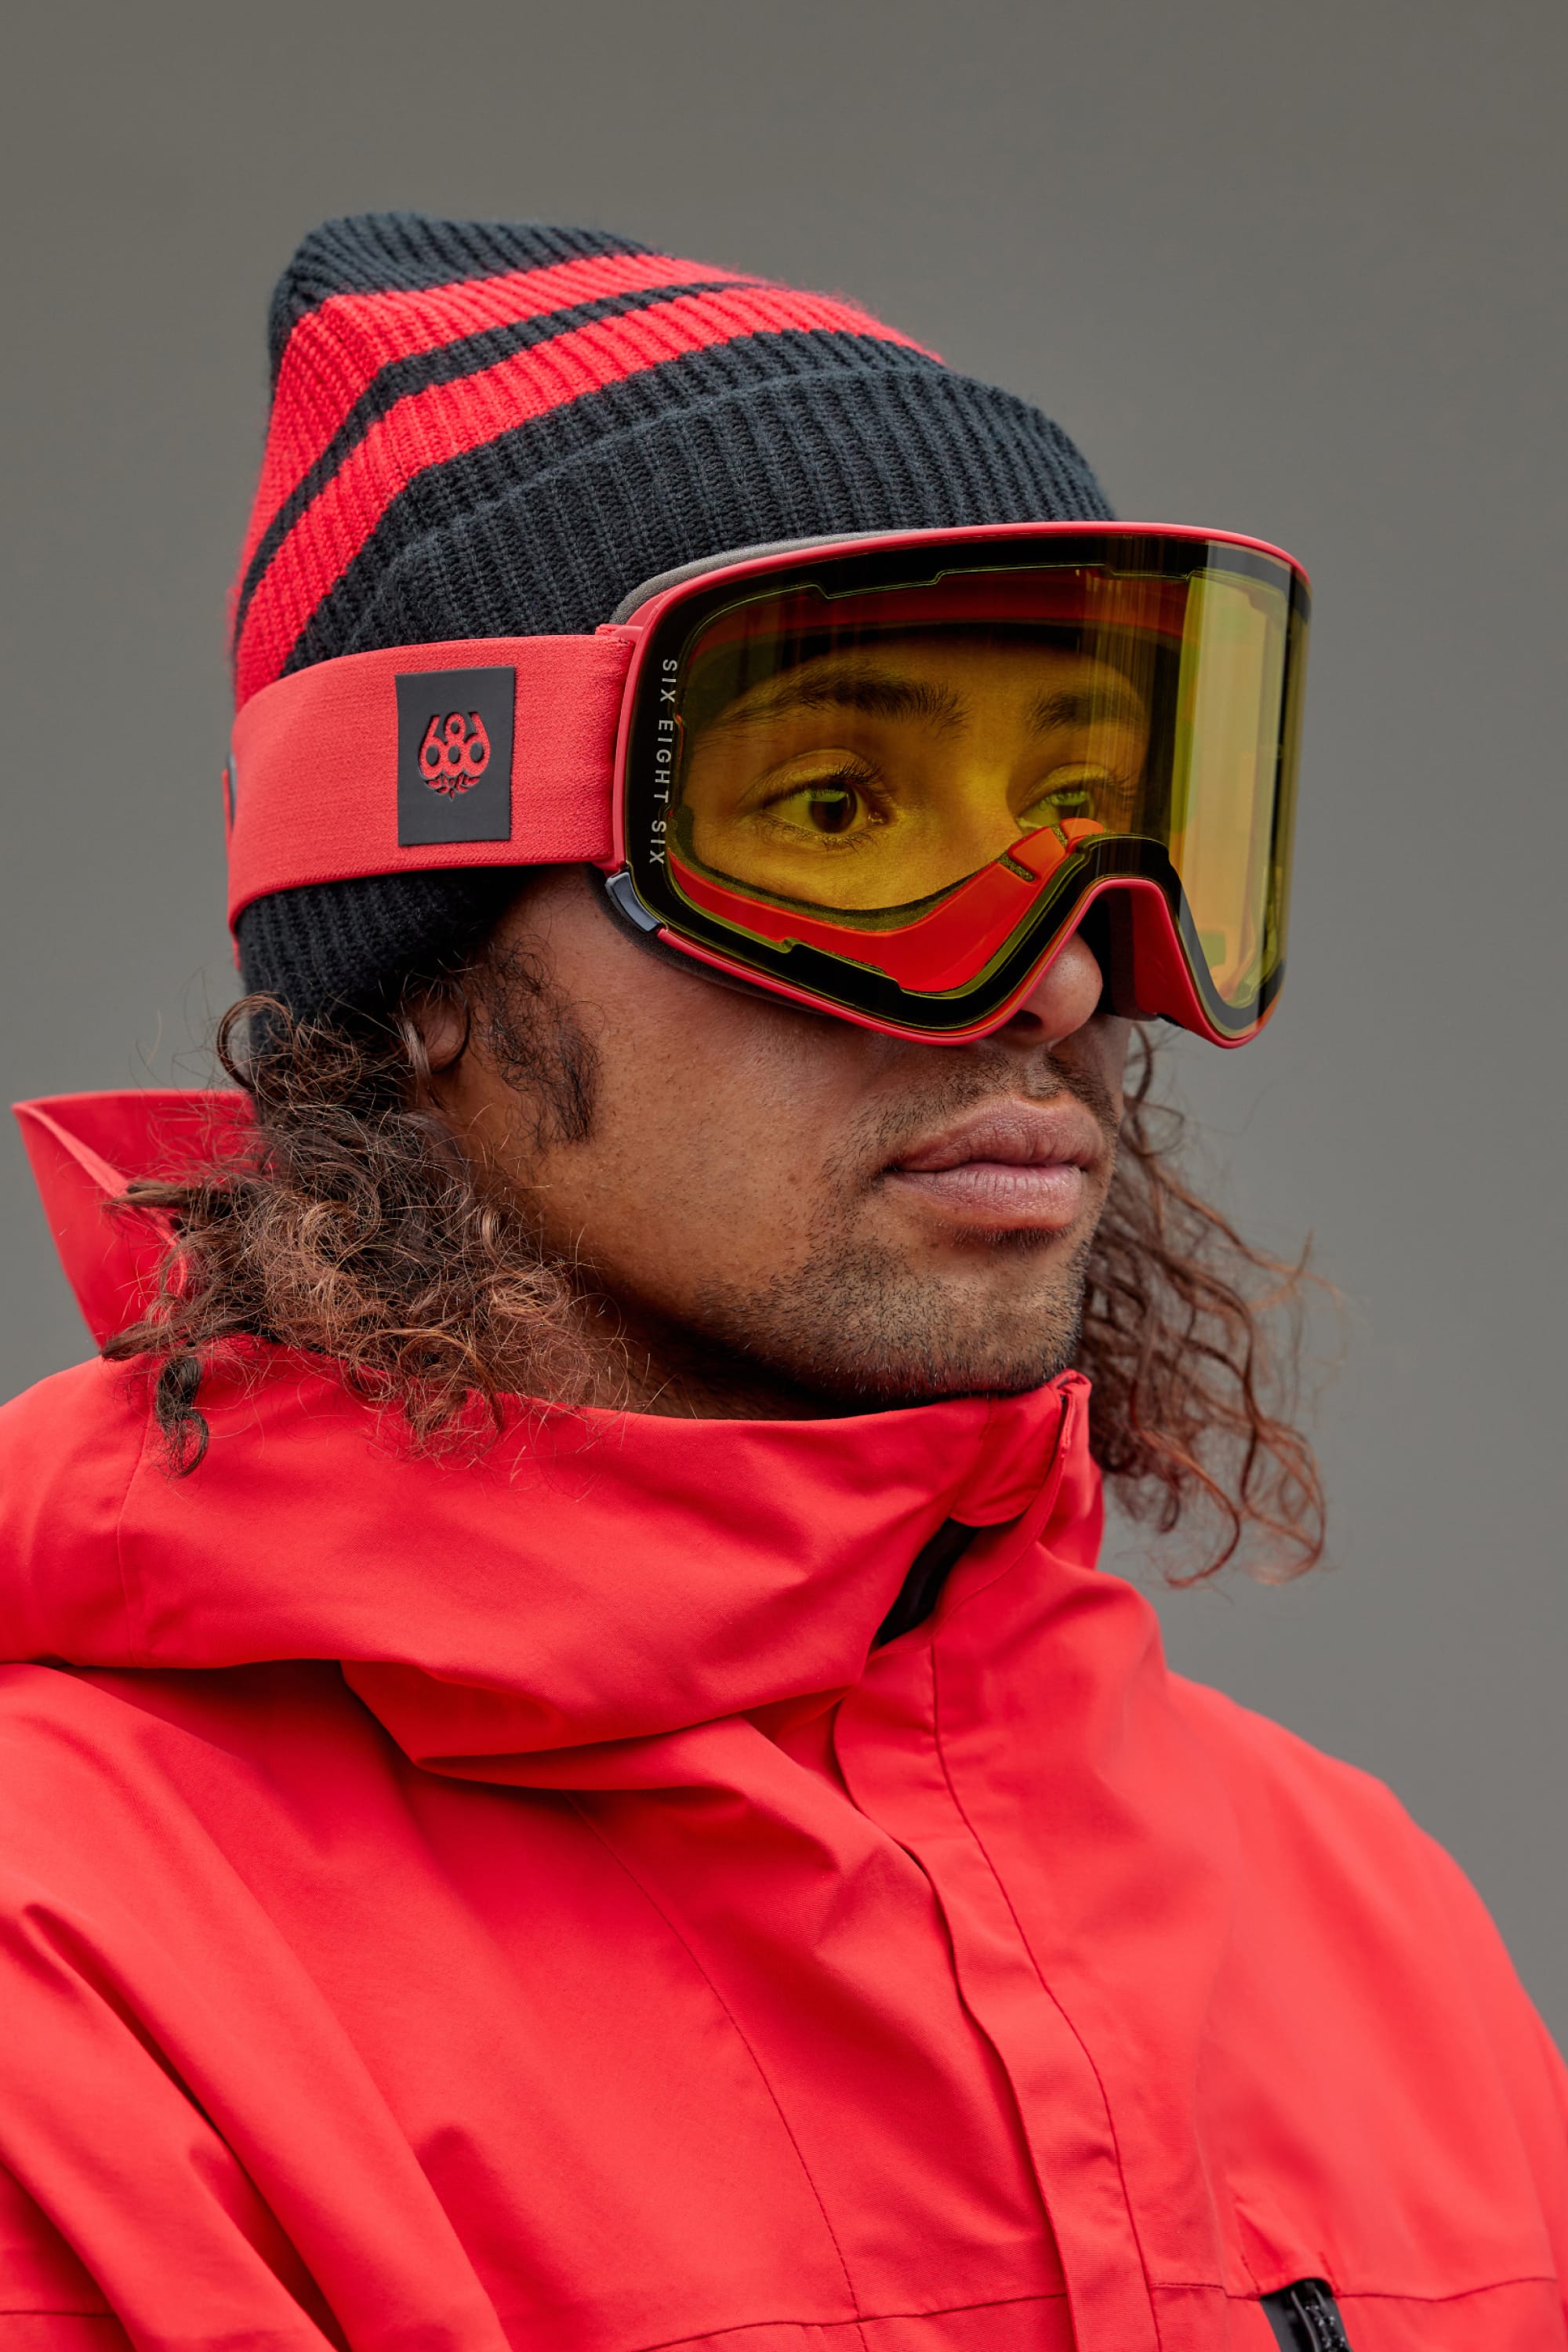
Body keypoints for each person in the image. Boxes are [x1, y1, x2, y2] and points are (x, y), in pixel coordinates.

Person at [1, 215, 1563, 2352]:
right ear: (433, 962)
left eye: (1100, 812)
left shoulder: (1362, 1922)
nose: (1065, 967)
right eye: (841, 807)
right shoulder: (82, 1965)